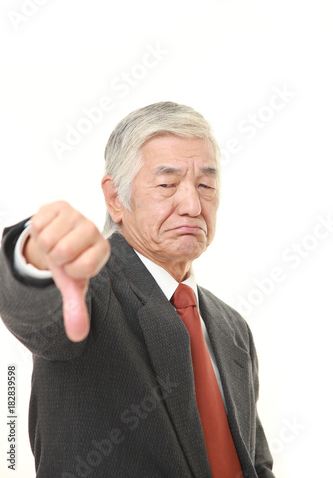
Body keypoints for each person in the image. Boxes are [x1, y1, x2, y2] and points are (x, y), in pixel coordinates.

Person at [0, 102, 275, 477]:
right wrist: (33, 255)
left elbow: (256, 464)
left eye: (206, 185)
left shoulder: (232, 328)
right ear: (115, 198)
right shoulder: (91, 290)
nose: (193, 205)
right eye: (167, 184)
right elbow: (36, 313)